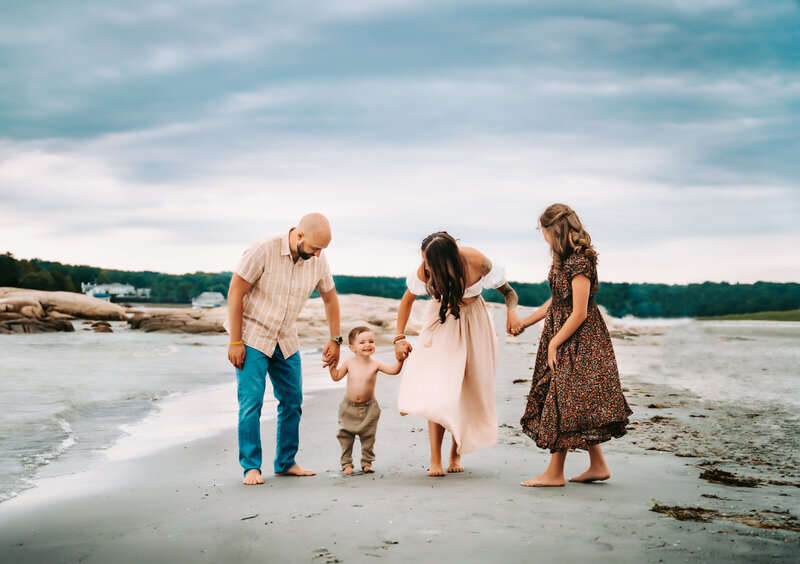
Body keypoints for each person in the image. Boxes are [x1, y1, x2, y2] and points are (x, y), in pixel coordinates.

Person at [519, 203, 632, 487]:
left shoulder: (580, 262)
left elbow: (579, 311)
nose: (541, 235)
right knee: (572, 401)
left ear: (552, 229)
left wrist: (554, 344)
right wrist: (526, 322)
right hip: (562, 335)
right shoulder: (563, 261)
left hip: (580, 340)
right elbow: (558, 301)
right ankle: (598, 465)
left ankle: (554, 473)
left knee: (561, 400)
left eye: (541, 229)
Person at [226, 213, 342, 485]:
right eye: (314, 248)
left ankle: (286, 462)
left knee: (293, 401)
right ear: (299, 236)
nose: (317, 255)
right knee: (251, 403)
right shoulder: (263, 249)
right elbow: (235, 292)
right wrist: (234, 341)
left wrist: (335, 339)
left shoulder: (318, 258)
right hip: (252, 335)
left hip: (286, 337)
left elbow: (330, 298)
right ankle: (251, 468)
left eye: (322, 250)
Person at [394, 232, 523, 476]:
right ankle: (435, 460)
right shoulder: (425, 269)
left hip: (475, 323)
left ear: (448, 258)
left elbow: (510, 293)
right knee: (438, 390)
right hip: (441, 323)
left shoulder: (475, 260)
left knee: (464, 388)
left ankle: (456, 453)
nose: (426, 266)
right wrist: (399, 338)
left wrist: (512, 313)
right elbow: (407, 300)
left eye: (430, 261)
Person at [329, 326, 404, 474]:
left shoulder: (375, 364)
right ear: (352, 348)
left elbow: (394, 370)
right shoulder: (349, 363)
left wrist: (400, 360)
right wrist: (332, 366)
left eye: (371, 341)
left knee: (368, 436)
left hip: (369, 407)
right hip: (348, 407)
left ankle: (367, 463)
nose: (367, 345)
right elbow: (336, 377)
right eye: (362, 342)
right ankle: (346, 464)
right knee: (345, 436)